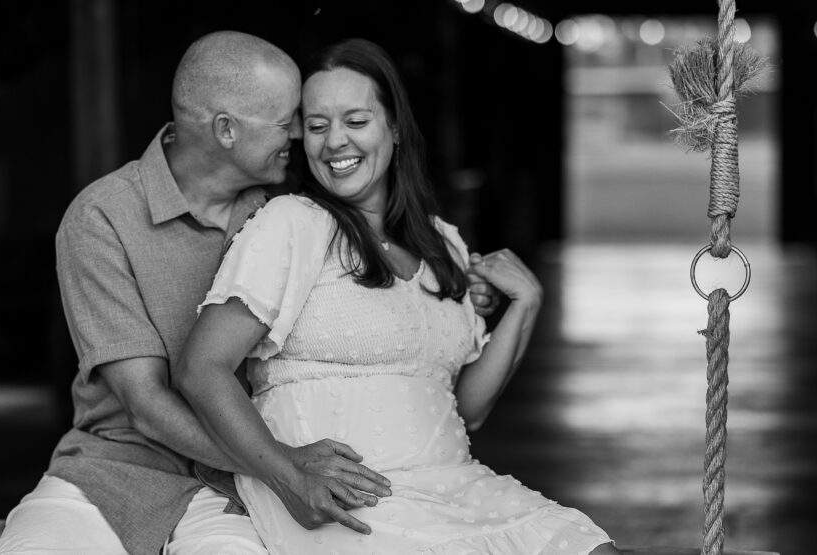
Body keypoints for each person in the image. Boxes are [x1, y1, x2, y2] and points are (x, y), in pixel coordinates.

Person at [0, 31, 502, 555]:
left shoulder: (289, 212)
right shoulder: (103, 217)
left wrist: (463, 293)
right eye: (289, 123)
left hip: (239, 489)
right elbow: (146, 404)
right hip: (117, 473)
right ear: (227, 131)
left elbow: (375, 295)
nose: (304, 136)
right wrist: (283, 462)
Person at [176, 38, 621, 554]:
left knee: (592, 549)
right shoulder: (292, 224)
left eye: (355, 121)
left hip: (456, 485)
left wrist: (525, 306)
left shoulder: (443, 244)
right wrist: (287, 475)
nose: (334, 141)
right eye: (317, 126)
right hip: (350, 498)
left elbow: (467, 407)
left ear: (394, 128)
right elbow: (201, 368)